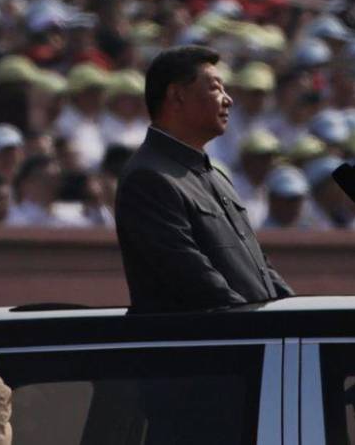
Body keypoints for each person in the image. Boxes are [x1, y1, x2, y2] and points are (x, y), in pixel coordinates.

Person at [115, 45, 294, 312]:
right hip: (206, 337)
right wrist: (257, 326)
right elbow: (195, 282)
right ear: (177, 96)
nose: (228, 99)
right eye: (215, 88)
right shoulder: (148, 178)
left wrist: (294, 310)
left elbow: (260, 268)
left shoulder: (216, 175)